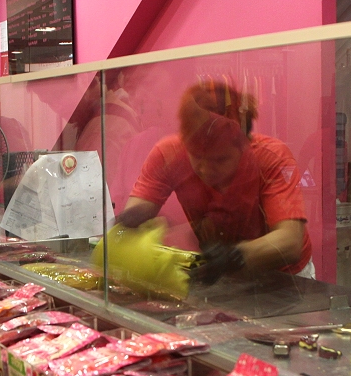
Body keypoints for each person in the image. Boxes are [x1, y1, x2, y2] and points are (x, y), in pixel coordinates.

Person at [117, 79, 313, 283]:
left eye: (220, 160)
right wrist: (126, 221)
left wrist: (234, 256)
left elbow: (289, 242)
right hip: (223, 271)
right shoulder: (169, 154)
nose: (206, 169)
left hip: (284, 275)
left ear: (245, 145)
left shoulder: (272, 157)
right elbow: (139, 209)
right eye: (196, 156)